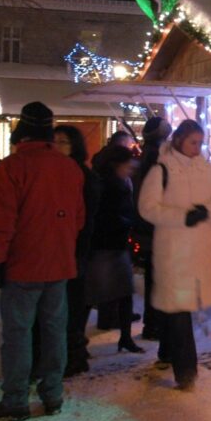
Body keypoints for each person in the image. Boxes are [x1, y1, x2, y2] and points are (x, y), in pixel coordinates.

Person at [0, 102, 85, 421]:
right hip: (59, 265)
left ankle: (16, 399)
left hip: (22, 265)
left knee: (18, 333)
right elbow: (78, 219)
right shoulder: (69, 168)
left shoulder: (12, 167)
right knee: (54, 330)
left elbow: (1, 221)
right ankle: (52, 393)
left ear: (22, 133)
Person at [137, 119, 211, 391]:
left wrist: (205, 212)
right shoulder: (161, 169)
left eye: (200, 143)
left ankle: (169, 354)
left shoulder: (206, 169)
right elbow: (147, 208)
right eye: (192, 142)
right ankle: (186, 372)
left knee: (177, 309)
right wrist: (181, 217)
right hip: (174, 250)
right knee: (177, 310)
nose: (197, 148)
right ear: (178, 141)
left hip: (199, 251)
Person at [52, 125, 101, 377]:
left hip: (78, 249)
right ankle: (70, 354)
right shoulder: (54, 173)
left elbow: (88, 216)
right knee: (63, 305)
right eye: (55, 141)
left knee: (73, 304)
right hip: (61, 249)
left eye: (63, 142)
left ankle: (75, 355)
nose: (58, 146)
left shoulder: (82, 175)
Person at [89, 144, 143, 354]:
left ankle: (125, 337)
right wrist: (127, 223)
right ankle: (124, 338)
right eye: (127, 165)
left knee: (117, 292)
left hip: (111, 245)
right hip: (108, 245)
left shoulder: (109, 182)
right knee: (107, 292)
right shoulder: (109, 185)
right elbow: (109, 215)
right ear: (116, 165)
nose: (130, 169)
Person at [133, 116, 172, 341]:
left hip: (147, 224)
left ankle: (153, 323)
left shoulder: (147, 152)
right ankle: (155, 325)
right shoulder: (157, 155)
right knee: (158, 277)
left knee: (154, 276)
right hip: (155, 226)